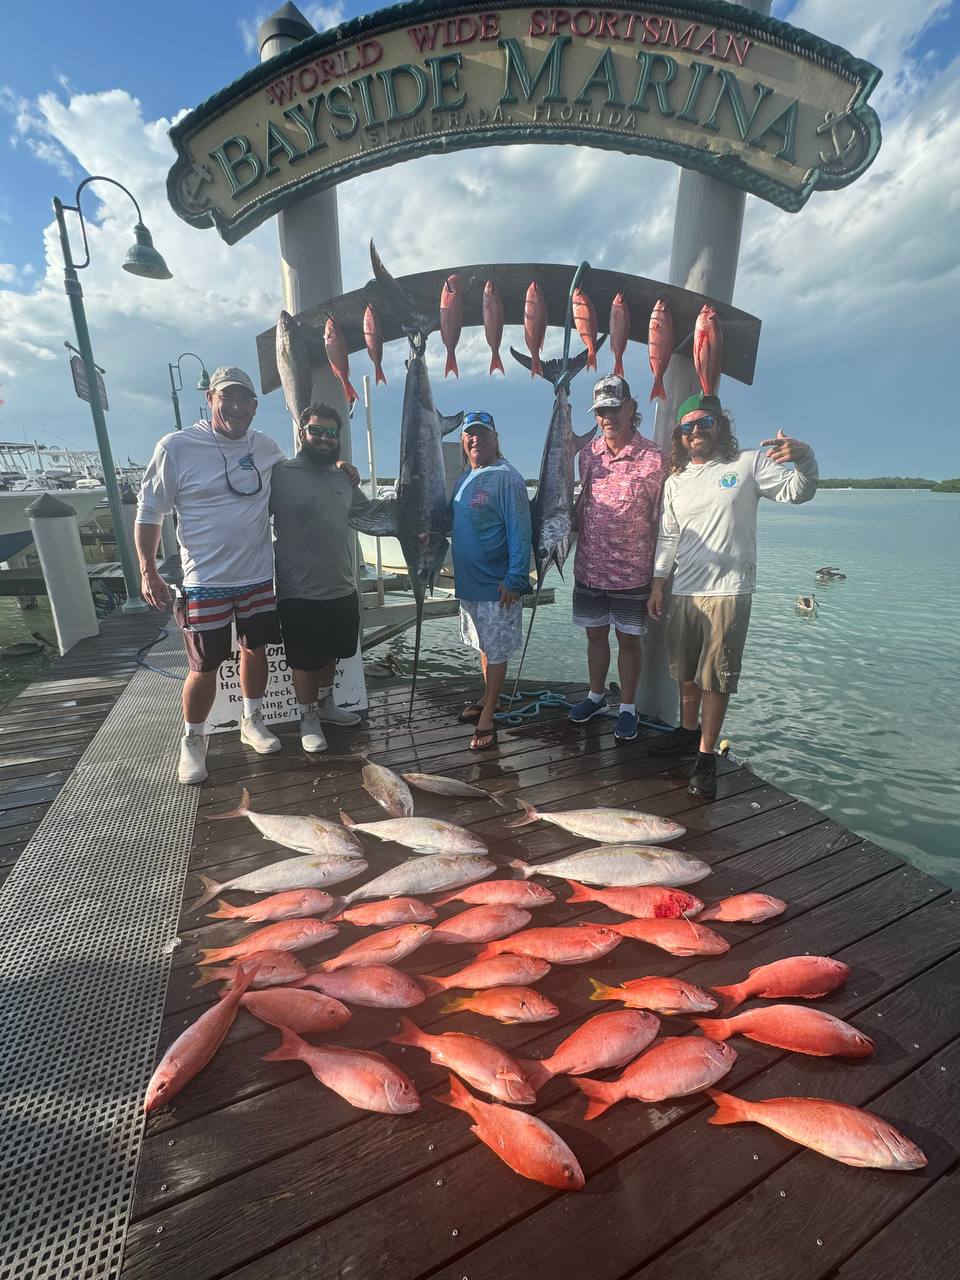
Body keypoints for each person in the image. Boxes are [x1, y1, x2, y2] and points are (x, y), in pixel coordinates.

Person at [648, 392, 818, 799]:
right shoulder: (676, 480)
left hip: (728, 590)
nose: (695, 433)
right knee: (686, 674)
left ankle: (706, 757)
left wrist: (805, 456)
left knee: (716, 679)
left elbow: (799, 491)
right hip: (683, 590)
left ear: (720, 425)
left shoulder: (746, 465)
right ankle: (688, 734)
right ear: (680, 435)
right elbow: (669, 536)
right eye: (687, 428)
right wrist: (657, 582)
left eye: (704, 423)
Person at [271, 403, 383, 752]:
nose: (323, 438)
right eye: (315, 431)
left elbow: (371, 515)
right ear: (302, 433)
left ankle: (326, 705)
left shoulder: (343, 478)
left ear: (338, 437)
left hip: (342, 587)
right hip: (298, 591)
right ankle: (307, 717)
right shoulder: (279, 474)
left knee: (333, 654)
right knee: (305, 661)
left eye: (330, 432)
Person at [567, 374, 669, 741]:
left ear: (630, 408)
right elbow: (583, 504)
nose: (607, 417)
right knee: (594, 635)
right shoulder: (588, 454)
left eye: (613, 408)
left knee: (628, 640)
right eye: (600, 411)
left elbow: (664, 518)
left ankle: (627, 706)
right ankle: (596, 696)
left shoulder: (657, 458)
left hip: (632, 571)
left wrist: (661, 575)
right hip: (590, 566)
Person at [451, 411, 532, 751]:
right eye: (470, 434)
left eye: (483, 434)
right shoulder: (466, 476)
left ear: (495, 439)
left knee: (497, 650)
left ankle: (488, 716)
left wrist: (515, 577)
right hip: (470, 584)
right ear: (463, 441)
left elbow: (520, 530)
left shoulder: (507, 478)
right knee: (484, 645)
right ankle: (489, 698)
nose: (476, 440)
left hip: (497, 585)